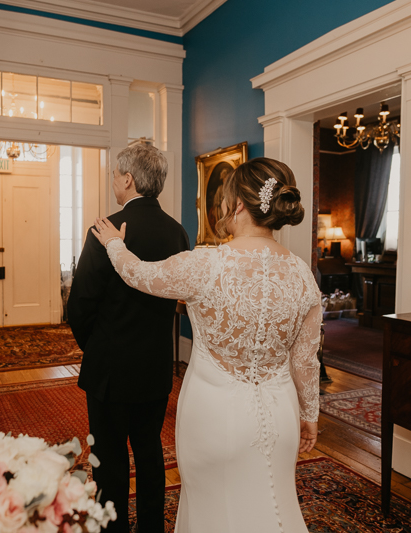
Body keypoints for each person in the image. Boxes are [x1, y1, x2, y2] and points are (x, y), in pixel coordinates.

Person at [90, 157, 321, 533]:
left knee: (211, 509)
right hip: (281, 416)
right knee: (274, 505)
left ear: (238, 205)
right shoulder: (302, 275)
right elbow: (306, 360)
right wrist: (309, 415)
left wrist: (116, 245)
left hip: (214, 415)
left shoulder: (207, 264)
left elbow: (139, 274)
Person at [68, 143, 189, 533]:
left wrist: (97, 345)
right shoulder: (177, 233)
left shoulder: (105, 229)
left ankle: (114, 528)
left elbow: (80, 304)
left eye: (114, 176)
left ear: (128, 178)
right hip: (155, 365)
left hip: (110, 368)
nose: (113, 183)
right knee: (150, 453)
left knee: (110, 460)